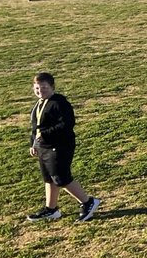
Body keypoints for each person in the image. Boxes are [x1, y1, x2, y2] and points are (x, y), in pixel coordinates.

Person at [26, 72, 100, 222]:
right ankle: (51, 209)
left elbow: (67, 124)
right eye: (37, 88)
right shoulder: (38, 105)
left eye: (44, 87)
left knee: (61, 178)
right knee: (49, 178)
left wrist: (46, 134)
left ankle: (88, 202)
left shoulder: (59, 103)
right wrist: (33, 143)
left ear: (52, 87)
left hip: (60, 146)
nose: (40, 91)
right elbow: (36, 127)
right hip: (43, 147)